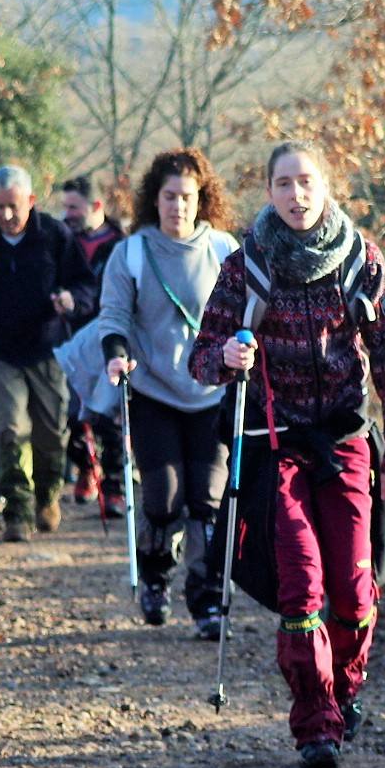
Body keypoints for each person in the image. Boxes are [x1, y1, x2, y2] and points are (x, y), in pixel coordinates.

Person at [188, 141, 385, 768]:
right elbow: (200, 358)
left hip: (344, 441)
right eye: (283, 184)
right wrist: (228, 359)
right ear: (269, 193)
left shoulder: (361, 259)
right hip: (275, 446)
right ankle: (315, 721)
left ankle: (344, 691)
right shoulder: (246, 266)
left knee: (353, 587)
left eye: (305, 182)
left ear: (325, 186)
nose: (295, 195)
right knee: (303, 585)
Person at [92, 149, 240, 637]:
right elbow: (113, 315)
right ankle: (155, 578)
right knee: (163, 497)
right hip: (153, 391)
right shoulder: (131, 252)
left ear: (203, 200)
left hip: (213, 394)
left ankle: (207, 602)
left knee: (209, 500)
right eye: (169, 197)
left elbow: (247, 317)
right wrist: (117, 353)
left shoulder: (222, 251)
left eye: (188, 197)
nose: (178, 206)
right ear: (153, 200)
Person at [0, 165, 98, 543]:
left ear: (30, 201)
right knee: (10, 430)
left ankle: (46, 495)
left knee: (50, 435)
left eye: (13, 206)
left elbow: (85, 285)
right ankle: (17, 511)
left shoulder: (54, 236)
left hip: (47, 350)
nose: (6, 216)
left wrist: (71, 300)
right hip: (0, 353)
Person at [59, 175, 127, 514]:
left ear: (96, 206)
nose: (66, 213)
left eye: (73, 207)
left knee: (110, 417)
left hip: (109, 341)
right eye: (65, 206)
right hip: (67, 339)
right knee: (70, 415)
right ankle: (86, 469)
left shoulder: (120, 244)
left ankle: (114, 487)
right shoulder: (61, 241)